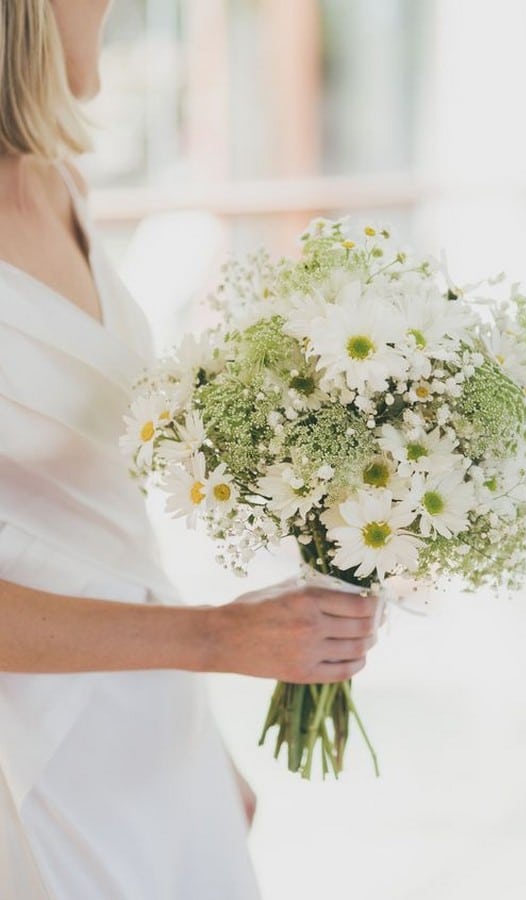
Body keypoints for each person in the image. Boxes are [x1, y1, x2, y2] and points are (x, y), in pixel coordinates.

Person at [0, 2, 381, 897]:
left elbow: (105, 522)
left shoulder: (61, 177)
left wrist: (199, 738)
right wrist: (214, 637)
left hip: (146, 717)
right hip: (29, 757)